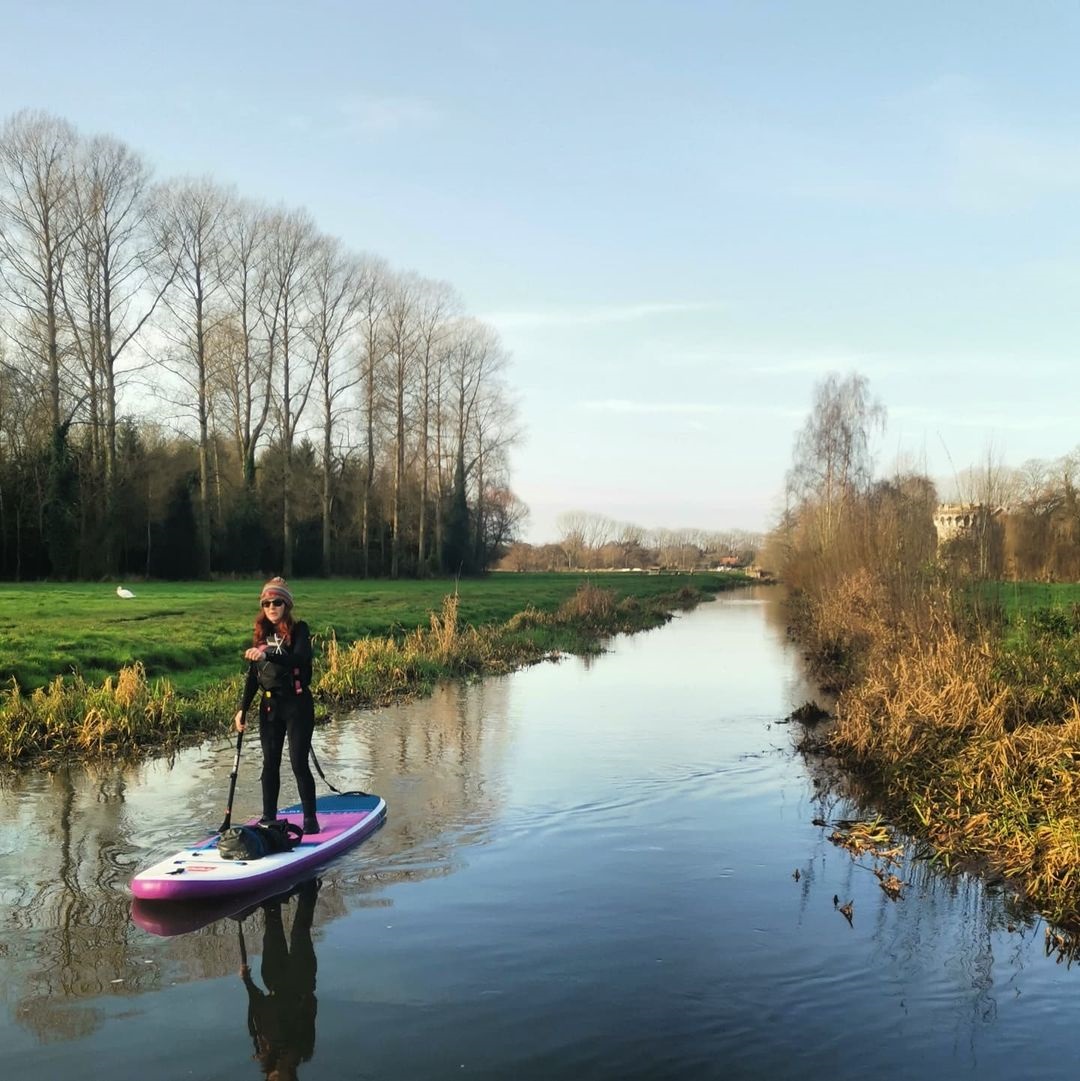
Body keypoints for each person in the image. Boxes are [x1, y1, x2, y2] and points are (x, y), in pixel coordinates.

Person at [234, 577, 321, 835]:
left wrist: (267, 654)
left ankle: (310, 819)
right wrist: (242, 708)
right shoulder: (260, 634)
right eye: (267, 603)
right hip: (270, 707)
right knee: (269, 763)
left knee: (298, 763)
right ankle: (267, 817)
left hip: (298, 705)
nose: (272, 607)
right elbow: (253, 676)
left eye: (277, 602)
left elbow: (299, 658)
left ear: (287, 604)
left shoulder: (299, 630)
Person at [240, 877, 320, 1080]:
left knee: (272, 922)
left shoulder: (263, 1050)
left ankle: (273, 881)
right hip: (300, 980)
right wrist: (305, 996)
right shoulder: (304, 1049)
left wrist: (247, 980)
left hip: (272, 979)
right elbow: (311, 1012)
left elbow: (256, 1012)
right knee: (300, 930)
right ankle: (309, 880)